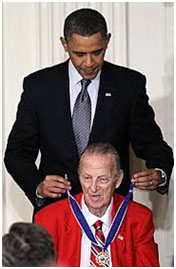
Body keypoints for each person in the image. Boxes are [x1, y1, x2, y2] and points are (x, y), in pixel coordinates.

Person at [4, 8, 173, 213]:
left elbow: (153, 145)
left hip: (112, 214)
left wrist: (160, 173)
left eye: (97, 52)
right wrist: (38, 186)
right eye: (79, 54)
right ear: (64, 44)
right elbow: (16, 153)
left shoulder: (128, 85)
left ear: (107, 41)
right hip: (56, 211)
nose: (89, 62)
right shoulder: (39, 87)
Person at [35, 143, 160, 267]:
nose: (93, 188)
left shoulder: (139, 218)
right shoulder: (48, 219)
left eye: (102, 179)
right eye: (87, 178)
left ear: (118, 179)